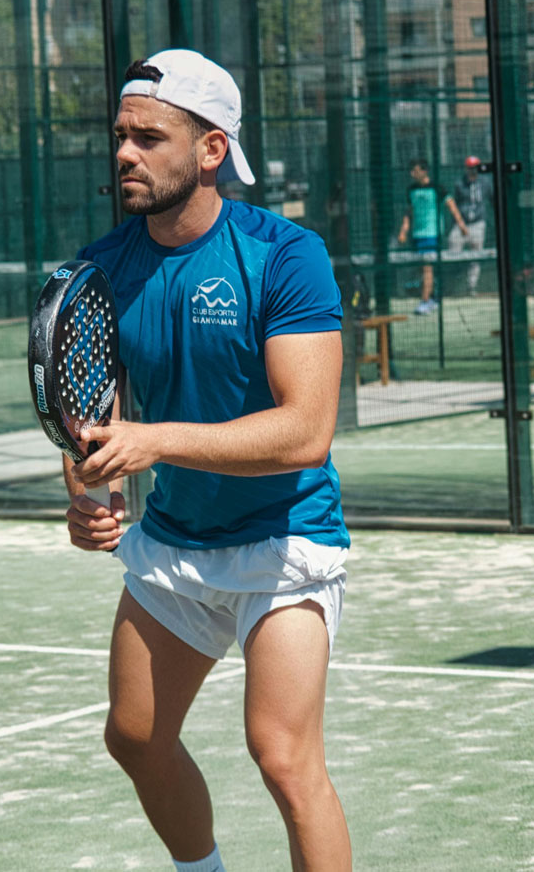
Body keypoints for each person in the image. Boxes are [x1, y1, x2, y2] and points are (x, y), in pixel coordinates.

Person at [64, 49, 352, 872]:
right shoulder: (99, 269)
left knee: (284, 757)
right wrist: (90, 491)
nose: (124, 153)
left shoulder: (284, 254)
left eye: (149, 137)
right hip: (175, 543)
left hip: (285, 538)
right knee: (136, 735)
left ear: (212, 150)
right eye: (119, 135)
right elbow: (94, 423)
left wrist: (154, 442)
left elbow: (305, 431)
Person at [397, 158, 469, 315]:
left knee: (427, 268)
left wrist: (462, 226)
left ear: (424, 171)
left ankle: (425, 301)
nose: (412, 174)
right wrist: (403, 231)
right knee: (423, 268)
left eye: (415, 170)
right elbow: (408, 213)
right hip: (416, 235)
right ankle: (433, 296)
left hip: (432, 234)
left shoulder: (438, 188)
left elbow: (452, 207)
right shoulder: (411, 190)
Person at [448, 155, 493, 296]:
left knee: (476, 256)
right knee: (453, 253)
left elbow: (492, 199)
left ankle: (471, 287)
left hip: (478, 224)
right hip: (461, 224)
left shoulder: (485, 182)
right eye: (470, 167)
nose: (473, 170)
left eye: (475, 167)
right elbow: (455, 203)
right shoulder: (459, 183)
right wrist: (459, 223)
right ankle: (451, 286)